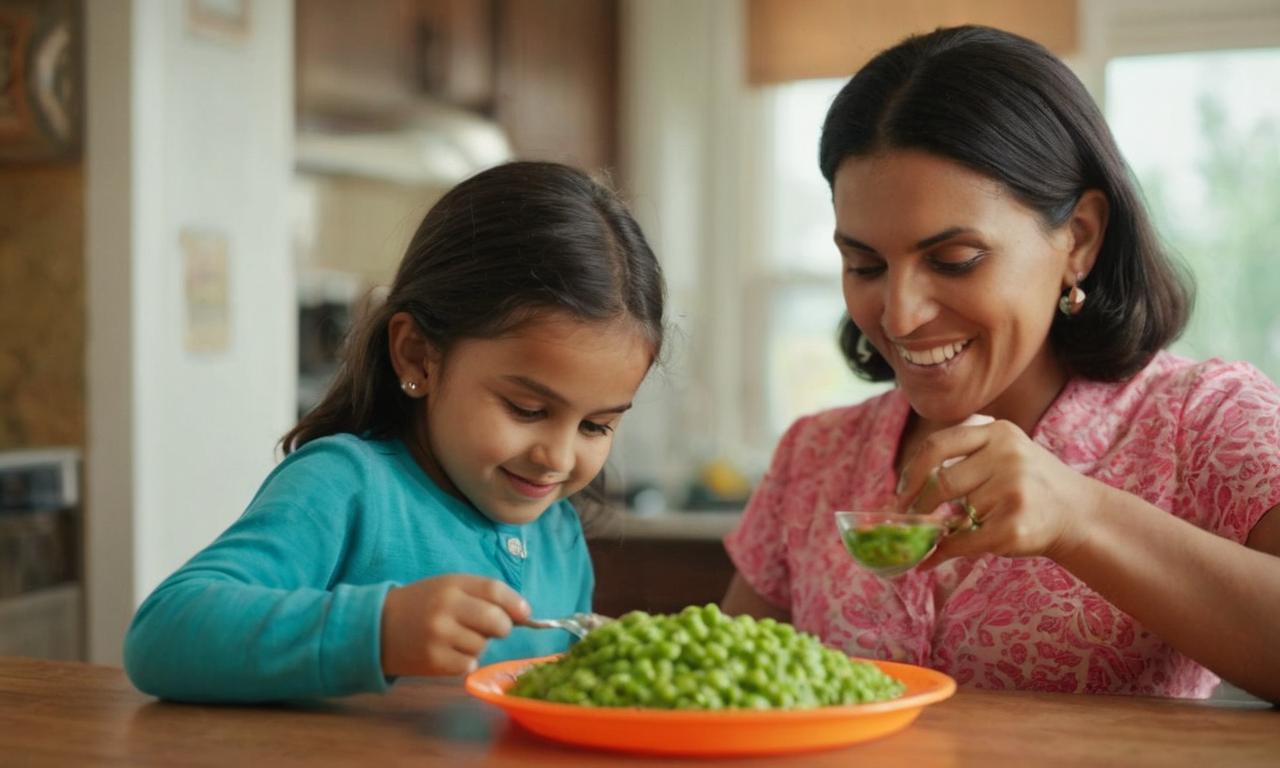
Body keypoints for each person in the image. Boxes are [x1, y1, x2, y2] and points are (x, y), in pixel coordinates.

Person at [722, 25, 1280, 702]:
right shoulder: (814, 459)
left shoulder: (1203, 422)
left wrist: (1082, 518)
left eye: (954, 260)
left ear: (1078, 238)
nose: (899, 316)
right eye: (864, 264)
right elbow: (727, 695)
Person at [124, 162, 666, 702]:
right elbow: (162, 634)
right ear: (418, 357)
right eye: (526, 408)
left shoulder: (557, 534)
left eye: (596, 425)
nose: (558, 456)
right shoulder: (344, 487)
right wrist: (377, 632)